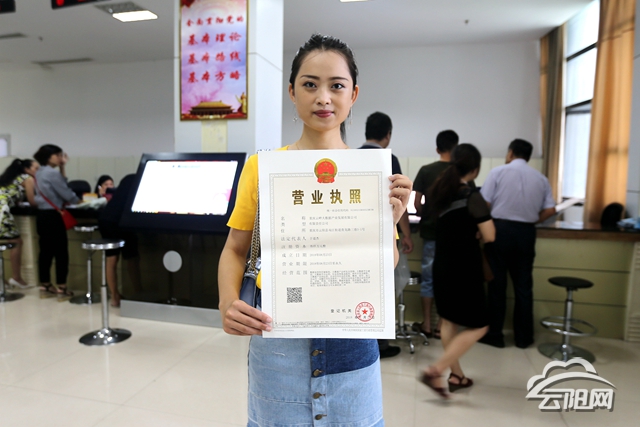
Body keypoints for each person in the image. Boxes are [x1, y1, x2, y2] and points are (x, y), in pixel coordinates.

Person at [218, 34, 412, 426]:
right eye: (310, 84)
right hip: (278, 341)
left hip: (351, 336)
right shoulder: (263, 167)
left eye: (336, 86)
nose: (323, 98)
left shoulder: (372, 172)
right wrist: (226, 303)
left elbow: (385, 264)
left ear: (353, 94)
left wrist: (388, 224)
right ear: (292, 91)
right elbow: (235, 249)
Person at [419, 143, 495, 399]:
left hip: (442, 265)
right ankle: (436, 370)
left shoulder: (440, 193)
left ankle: (456, 375)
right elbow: (490, 235)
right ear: (475, 170)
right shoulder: (472, 196)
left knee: (449, 321)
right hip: (465, 269)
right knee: (480, 326)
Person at [479, 138, 556, 349]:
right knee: (523, 287)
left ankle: (495, 335)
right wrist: (533, 220)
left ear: (510, 153)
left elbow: (485, 204)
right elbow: (551, 210)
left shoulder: (497, 172)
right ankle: (523, 338)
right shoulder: (541, 178)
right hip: (526, 233)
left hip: (500, 231)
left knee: (497, 285)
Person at [359, 111, 413, 359]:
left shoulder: (352, 156)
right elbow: (399, 203)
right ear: (388, 135)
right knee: (382, 287)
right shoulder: (389, 159)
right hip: (382, 236)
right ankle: (380, 342)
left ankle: (361, 333)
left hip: (357, 235)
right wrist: (406, 235)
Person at [412, 130, 459, 340]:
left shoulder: (426, 171)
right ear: (456, 148)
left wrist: (425, 215)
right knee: (448, 281)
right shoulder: (460, 172)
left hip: (431, 233)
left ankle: (427, 325)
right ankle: (441, 326)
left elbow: (416, 203)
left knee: (429, 279)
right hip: (453, 236)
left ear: (437, 148)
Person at [33, 144, 79, 299]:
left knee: (45, 252)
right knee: (61, 252)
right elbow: (66, 193)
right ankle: (62, 287)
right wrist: (78, 201)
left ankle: (45, 285)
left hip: (42, 215)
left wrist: (62, 167)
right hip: (54, 216)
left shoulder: (39, 172)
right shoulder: (51, 173)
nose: (60, 158)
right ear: (48, 157)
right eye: (58, 155)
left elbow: (59, 185)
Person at [98, 174, 140, 307]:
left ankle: (114, 297)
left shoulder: (129, 177)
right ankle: (138, 292)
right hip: (124, 220)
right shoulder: (141, 180)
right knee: (132, 258)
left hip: (106, 218)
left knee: (112, 259)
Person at [0, 159, 39, 289]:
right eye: (36, 168)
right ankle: (16, 278)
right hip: (2, 213)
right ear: (27, 169)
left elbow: (10, 195)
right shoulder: (28, 179)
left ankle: (2, 280)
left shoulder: (8, 178)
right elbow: (32, 201)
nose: (38, 171)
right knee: (16, 242)